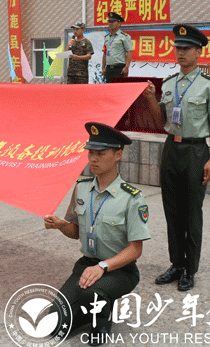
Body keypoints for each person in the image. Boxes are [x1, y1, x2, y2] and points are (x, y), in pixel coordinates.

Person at [44, 122, 150, 346]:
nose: (93, 159)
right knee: (53, 325)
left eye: (100, 154)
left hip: (119, 270)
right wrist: (60, 225)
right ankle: (90, 305)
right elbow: (76, 231)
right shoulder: (81, 188)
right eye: (91, 153)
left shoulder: (132, 198)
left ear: (118, 155)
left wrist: (102, 267)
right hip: (87, 265)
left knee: (93, 293)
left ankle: (101, 317)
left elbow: (135, 250)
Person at [143, 24, 210, 291]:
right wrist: (152, 99)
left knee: (192, 213)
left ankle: (190, 269)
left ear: (198, 51)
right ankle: (176, 263)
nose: (180, 53)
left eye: (186, 48)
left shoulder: (209, 86)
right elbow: (161, 121)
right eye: (178, 48)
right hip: (171, 150)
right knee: (172, 211)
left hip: (195, 151)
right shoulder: (168, 84)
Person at [101, 12, 132, 83]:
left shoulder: (124, 37)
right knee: (109, 90)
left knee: (119, 91)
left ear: (119, 23)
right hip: (109, 68)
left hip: (120, 68)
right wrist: (103, 67)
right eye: (109, 22)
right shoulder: (107, 37)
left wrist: (126, 67)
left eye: (113, 22)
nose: (110, 24)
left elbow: (129, 52)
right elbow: (105, 53)